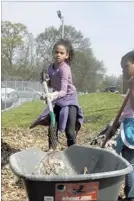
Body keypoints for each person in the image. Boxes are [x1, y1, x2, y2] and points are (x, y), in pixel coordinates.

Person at [30, 39, 84, 149]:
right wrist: (46, 81)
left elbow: (63, 91)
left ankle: (73, 154)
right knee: (52, 128)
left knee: (70, 132)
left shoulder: (65, 69)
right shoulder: (51, 68)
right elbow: (52, 85)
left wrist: (52, 95)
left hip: (69, 100)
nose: (58, 55)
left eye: (61, 53)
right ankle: (52, 152)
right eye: (56, 52)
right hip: (59, 100)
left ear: (67, 55)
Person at [115, 51, 134, 201]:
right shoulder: (130, 84)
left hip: (131, 128)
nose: (123, 71)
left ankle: (131, 196)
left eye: (125, 66)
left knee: (130, 164)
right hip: (126, 124)